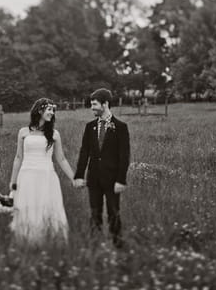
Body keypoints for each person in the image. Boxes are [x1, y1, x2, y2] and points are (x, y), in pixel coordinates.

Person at [8, 98, 76, 245]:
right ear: (40, 110)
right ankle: (28, 241)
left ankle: (50, 243)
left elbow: (62, 159)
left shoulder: (54, 134)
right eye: (49, 109)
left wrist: (73, 178)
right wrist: (13, 182)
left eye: (53, 110)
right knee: (28, 207)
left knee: (47, 207)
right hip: (26, 176)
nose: (52, 113)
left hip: (47, 176)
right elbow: (18, 158)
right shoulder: (23, 132)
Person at [74, 88, 130, 248]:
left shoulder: (120, 127)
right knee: (94, 213)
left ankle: (118, 245)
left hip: (113, 180)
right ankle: (95, 246)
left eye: (94, 104)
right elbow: (84, 152)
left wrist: (121, 180)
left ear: (105, 104)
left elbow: (124, 156)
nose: (91, 108)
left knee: (114, 212)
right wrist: (79, 175)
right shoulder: (89, 127)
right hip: (94, 179)